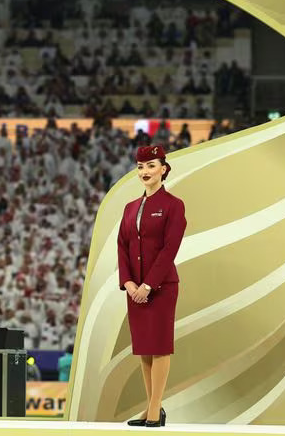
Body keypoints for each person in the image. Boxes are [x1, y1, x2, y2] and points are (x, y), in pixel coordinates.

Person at [118, 145, 187, 428]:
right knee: (144, 348)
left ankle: (156, 409)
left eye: (151, 166)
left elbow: (170, 248)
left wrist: (148, 284)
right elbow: (122, 245)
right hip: (135, 289)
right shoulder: (129, 207)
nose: (145, 171)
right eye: (140, 167)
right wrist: (129, 282)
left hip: (161, 287)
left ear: (164, 169)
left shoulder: (174, 205)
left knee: (159, 347)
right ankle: (151, 409)